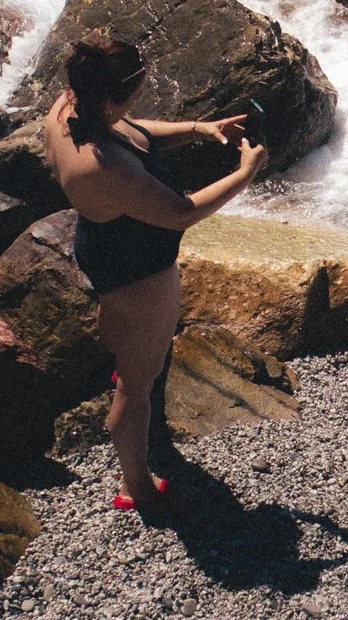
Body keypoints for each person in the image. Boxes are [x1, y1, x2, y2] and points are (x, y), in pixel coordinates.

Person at [43, 32, 264, 516]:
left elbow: (130, 130)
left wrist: (198, 129)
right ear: (111, 96)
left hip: (107, 247)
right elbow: (182, 212)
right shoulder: (104, 170)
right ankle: (136, 485)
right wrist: (245, 173)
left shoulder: (68, 107)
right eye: (137, 88)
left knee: (133, 353)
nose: (140, 96)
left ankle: (130, 363)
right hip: (137, 271)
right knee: (136, 384)